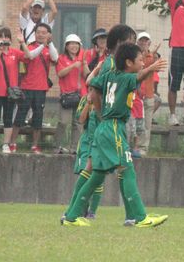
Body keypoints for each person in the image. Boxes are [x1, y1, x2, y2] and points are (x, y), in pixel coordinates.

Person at [63, 43, 168, 227]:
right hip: (114, 128)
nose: (143, 63)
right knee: (127, 170)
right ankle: (141, 218)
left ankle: (71, 217)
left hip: (104, 127)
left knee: (96, 175)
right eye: (140, 60)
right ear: (128, 62)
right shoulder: (127, 78)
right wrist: (152, 67)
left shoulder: (109, 75)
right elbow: (139, 76)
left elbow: (91, 85)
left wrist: (99, 110)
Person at [11, 23, 59, 154]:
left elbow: (55, 58)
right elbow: (31, 55)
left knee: (38, 117)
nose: (41, 34)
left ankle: (35, 145)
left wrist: (50, 43)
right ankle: (12, 143)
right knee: (20, 115)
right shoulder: (30, 46)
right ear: (35, 33)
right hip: (26, 87)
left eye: (44, 32)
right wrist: (44, 44)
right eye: (38, 32)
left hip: (41, 89)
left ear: (49, 34)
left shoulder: (50, 48)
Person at [62, 88, 103, 222]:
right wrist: (87, 103)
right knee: (83, 174)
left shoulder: (105, 100)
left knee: (97, 176)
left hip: (100, 141)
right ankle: (80, 208)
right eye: (90, 88)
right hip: (86, 142)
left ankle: (92, 212)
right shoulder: (85, 99)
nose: (92, 91)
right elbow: (80, 120)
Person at [0, 28, 29, 153]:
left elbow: (28, 56)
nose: (4, 39)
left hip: (10, 93)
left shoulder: (15, 52)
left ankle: (6, 144)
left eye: (6, 37)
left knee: (8, 118)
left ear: (10, 39)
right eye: (1, 37)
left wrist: (22, 42)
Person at [56, 34, 89, 154]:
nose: (74, 46)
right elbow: (60, 73)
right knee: (63, 122)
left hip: (81, 95)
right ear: (66, 46)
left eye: (76, 44)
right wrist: (73, 66)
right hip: (67, 95)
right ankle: (58, 146)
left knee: (78, 123)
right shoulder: (61, 58)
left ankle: (75, 148)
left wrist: (84, 63)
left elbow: (87, 75)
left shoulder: (82, 59)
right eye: (71, 44)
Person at [136, 32, 157, 156]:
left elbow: (157, 67)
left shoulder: (153, 56)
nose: (143, 43)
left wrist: (152, 57)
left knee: (147, 124)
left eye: (146, 40)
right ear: (137, 42)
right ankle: (134, 146)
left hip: (148, 94)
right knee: (134, 123)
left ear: (149, 42)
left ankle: (144, 147)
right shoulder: (134, 56)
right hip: (135, 96)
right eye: (141, 40)